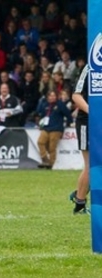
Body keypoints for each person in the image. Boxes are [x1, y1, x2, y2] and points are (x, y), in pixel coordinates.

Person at [70, 65, 89, 214]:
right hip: (87, 122)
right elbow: (76, 95)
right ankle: (80, 204)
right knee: (91, 164)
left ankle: (78, 194)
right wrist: (94, 112)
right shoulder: (91, 67)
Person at [36, 91, 73, 169]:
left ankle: (50, 164)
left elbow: (68, 114)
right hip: (46, 127)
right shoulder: (45, 104)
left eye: (54, 96)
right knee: (40, 142)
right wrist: (41, 101)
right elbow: (39, 113)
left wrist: (69, 123)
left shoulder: (60, 104)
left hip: (56, 128)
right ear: (47, 97)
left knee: (52, 147)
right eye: (50, 96)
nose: (52, 97)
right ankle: (45, 159)